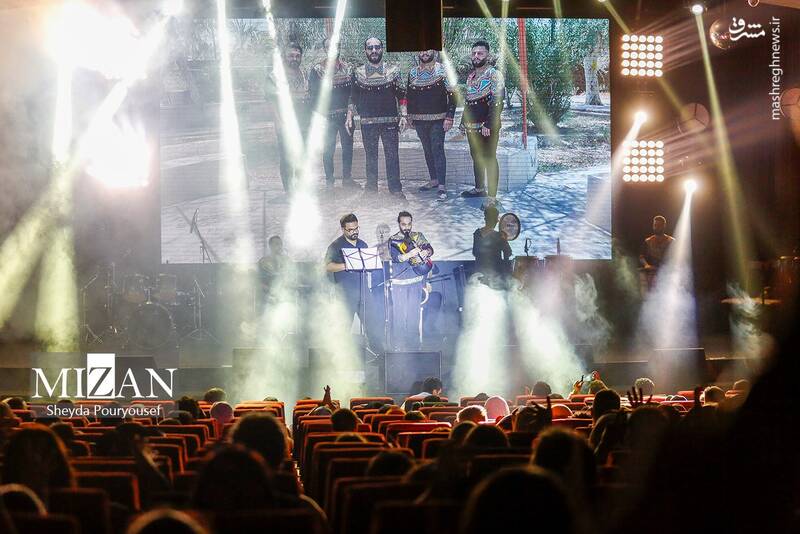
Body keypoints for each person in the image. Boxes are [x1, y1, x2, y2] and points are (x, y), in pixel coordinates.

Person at [346, 37, 406, 198]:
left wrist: (404, 115)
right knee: (370, 157)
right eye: (370, 47)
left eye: (377, 47)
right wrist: (349, 115)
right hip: (367, 123)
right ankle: (371, 190)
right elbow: (352, 97)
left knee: (392, 156)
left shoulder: (393, 71)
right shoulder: (357, 73)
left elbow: (402, 95)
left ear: (382, 49)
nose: (374, 50)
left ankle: (396, 189)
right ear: (365, 50)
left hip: (390, 123)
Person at [406, 49, 455, 201]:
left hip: (438, 119)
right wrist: (409, 116)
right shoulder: (412, 72)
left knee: (437, 149)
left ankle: (442, 186)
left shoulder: (443, 70)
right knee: (427, 150)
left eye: (427, 49)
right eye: (421, 50)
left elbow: (453, 95)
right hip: (419, 120)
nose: (424, 52)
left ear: (433, 51)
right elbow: (410, 95)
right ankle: (434, 180)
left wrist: (449, 117)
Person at [309, 36, 357, 190]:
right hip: (327, 118)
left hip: (346, 117)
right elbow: (314, 96)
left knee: (348, 148)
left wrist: (350, 112)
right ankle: (329, 181)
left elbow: (353, 93)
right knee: (328, 149)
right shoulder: (317, 70)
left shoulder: (348, 68)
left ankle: (347, 179)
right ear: (325, 49)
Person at [460, 40, 504, 205]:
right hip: (472, 127)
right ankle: (479, 189)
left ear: (488, 55)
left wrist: (489, 124)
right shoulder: (471, 76)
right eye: (474, 53)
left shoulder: (494, 74)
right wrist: (463, 122)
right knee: (476, 157)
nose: (476, 56)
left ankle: (492, 198)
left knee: (490, 158)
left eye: (480, 53)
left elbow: (498, 101)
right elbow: (468, 101)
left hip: (488, 127)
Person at [266, 42, 311, 194]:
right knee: (287, 158)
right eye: (291, 55)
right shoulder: (275, 76)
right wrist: (278, 122)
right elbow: (271, 101)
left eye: (298, 56)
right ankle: (289, 191)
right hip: (286, 124)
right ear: (284, 57)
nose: (294, 58)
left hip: (303, 124)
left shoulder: (304, 74)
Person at [389, 211, 433, 349]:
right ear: (399, 224)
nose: (406, 227)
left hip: (416, 281)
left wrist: (426, 252)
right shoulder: (393, 239)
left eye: (409, 224)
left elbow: (430, 249)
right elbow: (396, 258)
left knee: (414, 315)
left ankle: (414, 347)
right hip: (399, 284)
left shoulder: (418, 236)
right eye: (403, 224)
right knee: (399, 316)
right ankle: (399, 347)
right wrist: (409, 254)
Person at [325, 213, 373, 338]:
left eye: (356, 228)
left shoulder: (363, 244)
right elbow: (327, 266)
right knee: (343, 328)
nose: (354, 232)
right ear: (343, 229)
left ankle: (375, 348)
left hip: (363, 292)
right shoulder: (335, 246)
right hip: (345, 294)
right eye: (350, 230)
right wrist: (347, 265)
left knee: (372, 324)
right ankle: (341, 350)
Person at [472, 205, 512, 285]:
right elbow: (508, 253)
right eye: (496, 219)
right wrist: (505, 240)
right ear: (494, 220)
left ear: (485, 219)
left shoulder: (477, 233)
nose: (497, 221)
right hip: (495, 278)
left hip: (480, 275)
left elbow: (475, 252)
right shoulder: (498, 236)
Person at [639, 215, 675, 292]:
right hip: (652, 275)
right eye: (655, 225)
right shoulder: (648, 241)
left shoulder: (671, 241)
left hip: (667, 274)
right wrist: (646, 265)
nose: (656, 227)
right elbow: (641, 257)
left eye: (659, 225)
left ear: (663, 226)